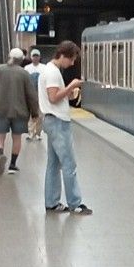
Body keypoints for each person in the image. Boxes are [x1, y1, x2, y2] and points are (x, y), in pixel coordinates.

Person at [37, 41, 89, 215]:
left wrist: (68, 94)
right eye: (72, 59)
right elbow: (53, 97)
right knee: (69, 164)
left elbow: (55, 97)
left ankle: (52, 202)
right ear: (63, 55)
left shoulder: (49, 70)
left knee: (53, 164)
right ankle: (75, 203)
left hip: (52, 120)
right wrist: (71, 87)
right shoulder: (52, 72)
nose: (72, 63)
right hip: (58, 122)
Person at [0, 46, 38, 175]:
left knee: (0, 134)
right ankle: (12, 165)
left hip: (1, 108)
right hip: (20, 111)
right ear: (21, 60)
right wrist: (34, 113)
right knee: (17, 137)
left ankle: (1, 153)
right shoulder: (24, 73)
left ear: (9, 57)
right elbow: (31, 95)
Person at [23, 50, 44, 147]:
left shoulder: (44, 68)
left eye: (37, 56)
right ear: (31, 57)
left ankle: (38, 133)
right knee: (31, 114)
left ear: (40, 57)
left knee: (40, 114)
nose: (35, 58)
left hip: (41, 94)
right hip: (30, 94)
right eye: (34, 56)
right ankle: (31, 133)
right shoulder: (27, 68)